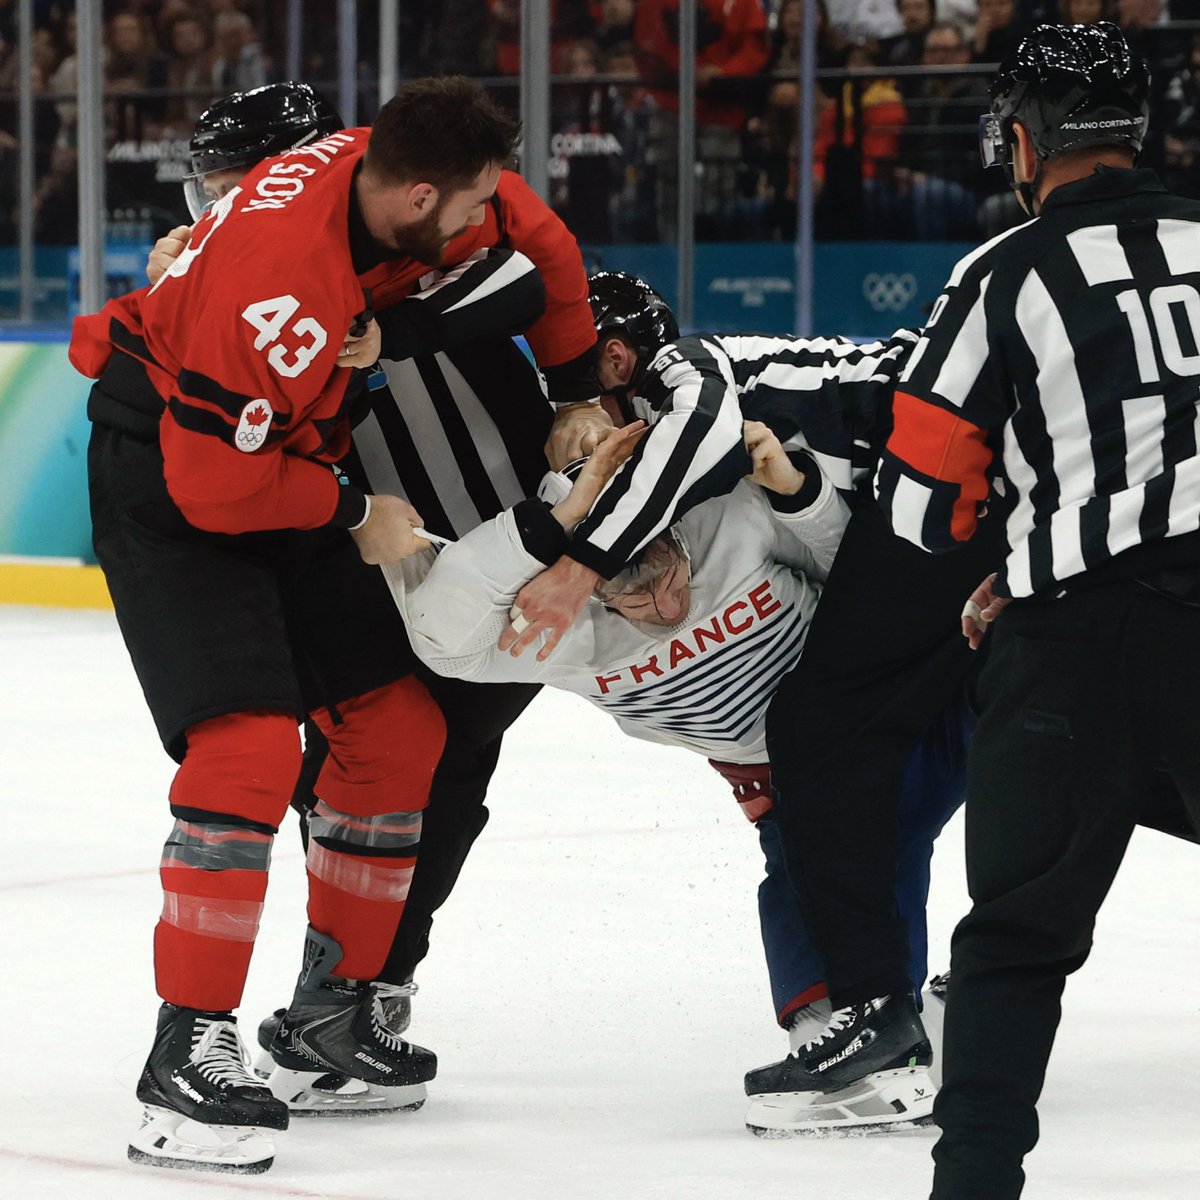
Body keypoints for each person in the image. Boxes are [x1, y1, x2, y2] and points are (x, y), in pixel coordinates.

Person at [70, 77, 593, 1174]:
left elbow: (528, 235)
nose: (471, 227)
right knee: (251, 744)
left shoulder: (382, 163)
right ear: (411, 196)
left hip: (286, 461)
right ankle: (187, 1047)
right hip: (172, 478)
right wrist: (358, 510)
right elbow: (212, 487)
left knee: (399, 729)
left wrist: (579, 378)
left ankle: (332, 1014)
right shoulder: (284, 293)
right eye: (457, 214)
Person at [384, 409, 959, 1134]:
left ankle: (907, 1014)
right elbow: (444, 643)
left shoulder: (725, 518)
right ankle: (904, 1015)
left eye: (668, 572)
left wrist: (797, 493)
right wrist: (554, 518)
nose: (668, 606)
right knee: (812, 886)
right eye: (633, 597)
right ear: (583, 583)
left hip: (902, 710)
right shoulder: (559, 624)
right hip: (792, 784)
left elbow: (860, 572)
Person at [874, 22, 1200, 1198]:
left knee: (1015, 943)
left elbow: (919, 504)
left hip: (1075, 648)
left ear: (1027, 137)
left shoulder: (1003, 272)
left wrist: (1027, 538)